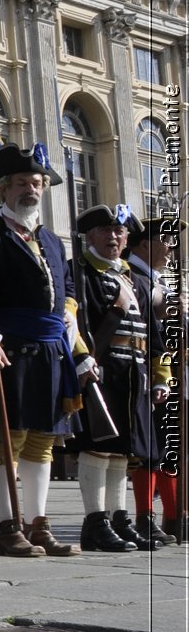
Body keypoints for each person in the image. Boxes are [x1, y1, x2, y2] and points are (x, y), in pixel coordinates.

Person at [0, 143, 90, 558]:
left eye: (37, 183)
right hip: (10, 346)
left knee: (43, 441)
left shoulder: (52, 240)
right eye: (22, 183)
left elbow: (67, 288)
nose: (31, 190)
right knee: (8, 439)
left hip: (52, 349)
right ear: (4, 190)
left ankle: (38, 524)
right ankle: (6, 525)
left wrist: (70, 315)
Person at [70, 203, 169, 552]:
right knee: (98, 447)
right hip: (103, 369)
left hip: (134, 373)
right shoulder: (81, 274)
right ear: (90, 235)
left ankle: (118, 518)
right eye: (106, 231)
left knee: (122, 453)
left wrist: (160, 376)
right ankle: (95, 521)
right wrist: (84, 360)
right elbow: (76, 325)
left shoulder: (134, 280)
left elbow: (154, 336)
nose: (114, 237)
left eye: (119, 231)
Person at [127, 217, 180, 545]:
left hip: (158, 373)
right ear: (144, 244)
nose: (172, 248)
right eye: (167, 240)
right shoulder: (135, 278)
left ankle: (172, 518)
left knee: (163, 448)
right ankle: (143, 517)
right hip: (139, 372)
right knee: (144, 449)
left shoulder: (152, 280)